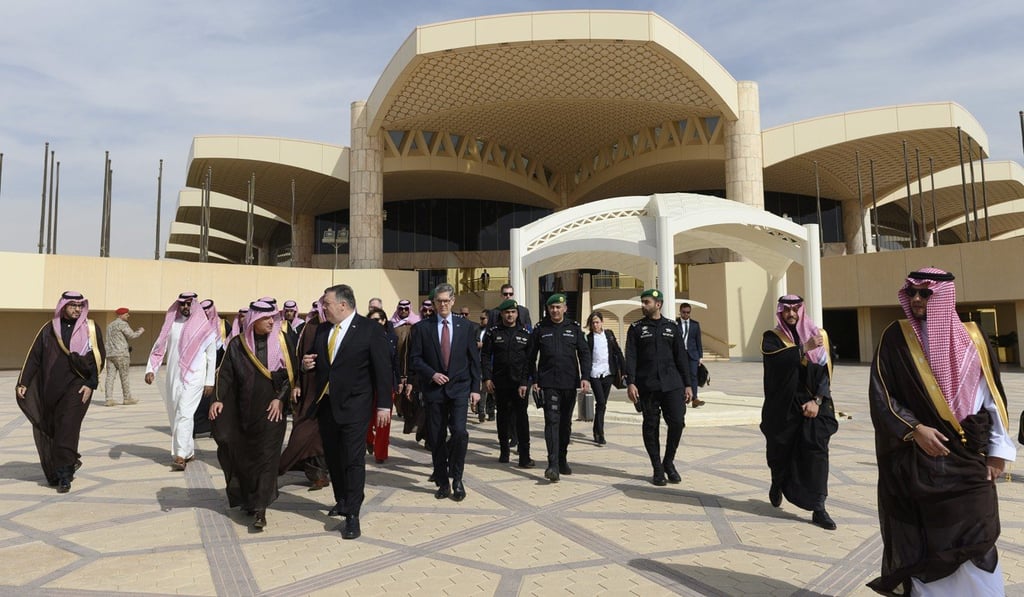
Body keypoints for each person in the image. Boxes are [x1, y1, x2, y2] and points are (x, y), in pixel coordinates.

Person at [867, 268, 1015, 595]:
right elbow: (881, 394)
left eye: (925, 293)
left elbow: (992, 399)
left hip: (969, 461)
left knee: (979, 536)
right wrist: (914, 429)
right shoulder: (896, 336)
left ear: (943, 296)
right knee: (927, 541)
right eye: (912, 292)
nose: (917, 299)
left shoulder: (974, 337)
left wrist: (997, 453)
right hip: (920, 462)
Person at [302, 284, 392, 540]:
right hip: (327, 405)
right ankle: (341, 499)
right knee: (333, 457)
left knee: (353, 460)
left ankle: (352, 514)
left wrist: (384, 404)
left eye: (327, 304)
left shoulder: (370, 330)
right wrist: (307, 363)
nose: (324, 308)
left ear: (343, 304)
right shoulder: (322, 329)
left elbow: (383, 369)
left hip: (355, 406)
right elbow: (318, 361)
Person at [209, 300, 295, 530]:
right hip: (243, 413)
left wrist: (280, 399)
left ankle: (260, 510)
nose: (271, 321)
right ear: (254, 320)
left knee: (267, 459)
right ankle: (249, 499)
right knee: (245, 458)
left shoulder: (282, 341)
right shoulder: (238, 345)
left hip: (272, 413)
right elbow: (225, 374)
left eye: (273, 318)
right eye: (266, 318)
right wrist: (217, 399)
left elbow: (291, 375)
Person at [760, 295, 837, 530]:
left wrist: (817, 400)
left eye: (795, 310)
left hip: (814, 403)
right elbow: (776, 362)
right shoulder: (772, 338)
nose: (791, 314)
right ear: (781, 312)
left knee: (816, 453)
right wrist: (803, 349)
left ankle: (818, 506)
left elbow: (826, 372)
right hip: (783, 406)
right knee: (780, 450)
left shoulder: (818, 335)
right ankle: (778, 480)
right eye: (787, 310)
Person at [16, 291, 105, 493]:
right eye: (72, 305)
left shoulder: (90, 328)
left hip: (78, 387)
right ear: (63, 306)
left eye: (80, 305)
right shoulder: (48, 329)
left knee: (68, 426)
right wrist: (24, 382)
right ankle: (65, 464)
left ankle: (65, 475)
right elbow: (34, 357)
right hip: (51, 389)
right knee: (55, 429)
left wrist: (91, 384)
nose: (77, 309)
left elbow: (100, 359)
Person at [410, 282, 481, 501]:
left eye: (446, 301)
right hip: (434, 391)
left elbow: (473, 360)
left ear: (453, 301)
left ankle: (457, 478)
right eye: (438, 301)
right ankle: (442, 481)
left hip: (459, 388)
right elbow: (415, 359)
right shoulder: (422, 328)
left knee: (460, 432)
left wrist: (475, 389)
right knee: (437, 437)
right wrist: (431, 374)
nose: (442, 305)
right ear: (434, 303)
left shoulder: (466, 327)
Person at [625, 289, 692, 486]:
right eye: (642, 302)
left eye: (647, 302)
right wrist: (631, 382)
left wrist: (688, 384)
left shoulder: (672, 327)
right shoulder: (636, 328)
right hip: (648, 385)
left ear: (658, 304)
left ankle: (668, 462)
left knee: (678, 422)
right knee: (650, 426)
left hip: (672, 384)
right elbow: (631, 357)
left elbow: (681, 357)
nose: (643, 305)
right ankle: (657, 468)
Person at [521, 293, 590, 483]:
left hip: (569, 383)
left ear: (565, 308)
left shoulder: (574, 329)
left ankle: (562, 458)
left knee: (565, 424)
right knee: (552, 421)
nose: (555, 310)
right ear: (548, 309)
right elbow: (530, 357)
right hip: (548, 383)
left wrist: (585, 377)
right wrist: (534, 379)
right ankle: (552, 464)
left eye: (558, 307)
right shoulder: (540, 329)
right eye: (552, 307)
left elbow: (584, 353)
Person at [145, 292, 217, 471]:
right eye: (182, 304)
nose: (185, 307)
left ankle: (180, 456)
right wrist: (150, 369)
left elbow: (211, 355)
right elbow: (159, 348)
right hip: (174, 376)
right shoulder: (172, 324)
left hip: (195, 376)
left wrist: (209, 381)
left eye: (188, 304)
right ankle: (189, 451)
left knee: (184, 413)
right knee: (176, 413)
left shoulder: (204, 326)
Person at [279, 295, 330, 490]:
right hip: (310, 389)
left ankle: (320, 474)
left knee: (320, 434)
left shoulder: (341, 328)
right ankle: (312, 472)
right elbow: (299, 357)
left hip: (332, 391)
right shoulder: (311, 327)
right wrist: (298, 383)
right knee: (305, 430)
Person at [482, 299, 533, 466]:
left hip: (520, 384)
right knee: (502, 417)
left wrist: (525, 382)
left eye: (513, 312)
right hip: (500, 382)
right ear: (501, 314)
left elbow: (529, 361)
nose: (510, 315)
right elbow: (485, 356)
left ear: (517, 314)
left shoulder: (525, 333)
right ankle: (504, 451)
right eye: (506, 312)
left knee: (521, 418)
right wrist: (487, 378)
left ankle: (524, 456)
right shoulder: (494, 333)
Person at [586, 311, 624, 446]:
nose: (595, 325)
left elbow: (618, 352)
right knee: (601, 402)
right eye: (593, 323)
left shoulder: (609, 335)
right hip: (595, 374)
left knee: (602, 404)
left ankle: (597, 431)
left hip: (608, 373)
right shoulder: (589, 338)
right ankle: (600, 433)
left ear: (602, 322)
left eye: (597, 322)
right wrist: (584, 377)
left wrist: (624, 370)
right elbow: (586, 358)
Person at [365, 306, 398, 464]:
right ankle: (369, 440)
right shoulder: (363, 337)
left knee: (383, 422)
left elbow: (396, 362)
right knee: (366, 420)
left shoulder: (392, 337)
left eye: (377, 320)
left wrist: (401, 381)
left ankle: (380, 453)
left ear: (384, 321)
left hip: (386, 385)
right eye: (371, 320)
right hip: (367, 385)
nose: (375, 323)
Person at [194, 298, 229, 438]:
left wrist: (221, 367)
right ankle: (196, 427)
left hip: (219, 369)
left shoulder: (224, 325)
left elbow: (228, 349)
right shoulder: (195, 325)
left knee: (216, 399)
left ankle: (214, 428)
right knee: (199, 399)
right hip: (201, 369)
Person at [103, 307, 144, 407]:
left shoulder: (110, 325)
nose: (128, 316)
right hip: (121, 354)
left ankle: (108, 399)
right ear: (121, 315)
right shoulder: (122, 324)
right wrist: (140, 331)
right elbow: (132, 335)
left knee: (110, 377)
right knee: (124, 377)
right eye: (126, 314)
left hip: (110, 354)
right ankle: (127, 398)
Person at [677, 303, 705, 408]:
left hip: (693, 354)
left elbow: (698, 341)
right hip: (680, 354)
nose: (686, 314)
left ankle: (695, 398)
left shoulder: (695, 324)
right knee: (680, 376)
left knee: (693, 376)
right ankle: (682, 397)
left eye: (688, 312)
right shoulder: (675, 323)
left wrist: (700, 356)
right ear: (680, 312)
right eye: (684, 312)